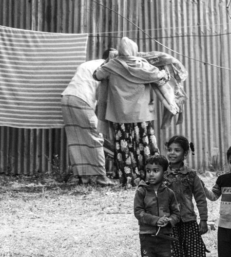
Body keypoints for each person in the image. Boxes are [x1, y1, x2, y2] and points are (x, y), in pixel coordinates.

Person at [93, 37, 169, 188]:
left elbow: (96, 75)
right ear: (134, 50)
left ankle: (128, 180)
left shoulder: (111, 65)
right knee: (145, 146)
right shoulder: (144, 66)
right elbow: (161, 77)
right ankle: (152, 178)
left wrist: (109, 60)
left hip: (120, 116)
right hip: (142, 115)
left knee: (124, 148)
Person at [164, 135, 211, 257]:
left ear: (185, 154)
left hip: (189, 221)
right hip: (169, 223)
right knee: (169, 256)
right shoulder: (162, 174)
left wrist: (203, 220)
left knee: (194, 255)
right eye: (169, 150)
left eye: (177, 150)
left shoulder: (191, 175)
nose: (172, 153)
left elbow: (200, 198)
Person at [133, 155, 181, 257]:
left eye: (156, 171)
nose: (151, 174)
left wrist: (169, 221)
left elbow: (176, 214)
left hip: (165, 238)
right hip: (147, 237)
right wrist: (155, 220)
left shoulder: (169, 193)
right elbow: (138, 212)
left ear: (164, 172)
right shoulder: (141, 191)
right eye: (148, 171)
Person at [61, 49, 115, 186]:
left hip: (67, 97)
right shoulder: (106, 67)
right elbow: (100, 94)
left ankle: (81, 177)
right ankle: (101, 176)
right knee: (95, 135)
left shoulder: (87, 64)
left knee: (76, 138)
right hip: (81, 99)